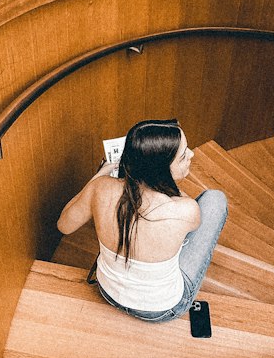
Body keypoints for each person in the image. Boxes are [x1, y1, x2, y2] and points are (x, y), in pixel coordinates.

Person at [57, 118, 228, 322]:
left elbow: (64, 226)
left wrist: (98, 177)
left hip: (107, 292)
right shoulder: (185, 209)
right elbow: (194, 226)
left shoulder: (100, 188)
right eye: (183, 156)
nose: (191, 154)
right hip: (162, 309)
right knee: (215, 199)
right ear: (161, 171)